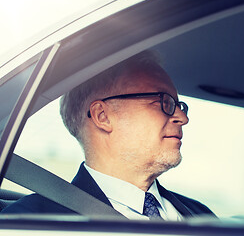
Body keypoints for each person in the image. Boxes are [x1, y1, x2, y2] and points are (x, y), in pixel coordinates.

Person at [2, 50, 215, 220]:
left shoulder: (202, 215)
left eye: (179, 105)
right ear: (102, 116)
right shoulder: (30, 222)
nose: (182, 118)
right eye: (163, 102)